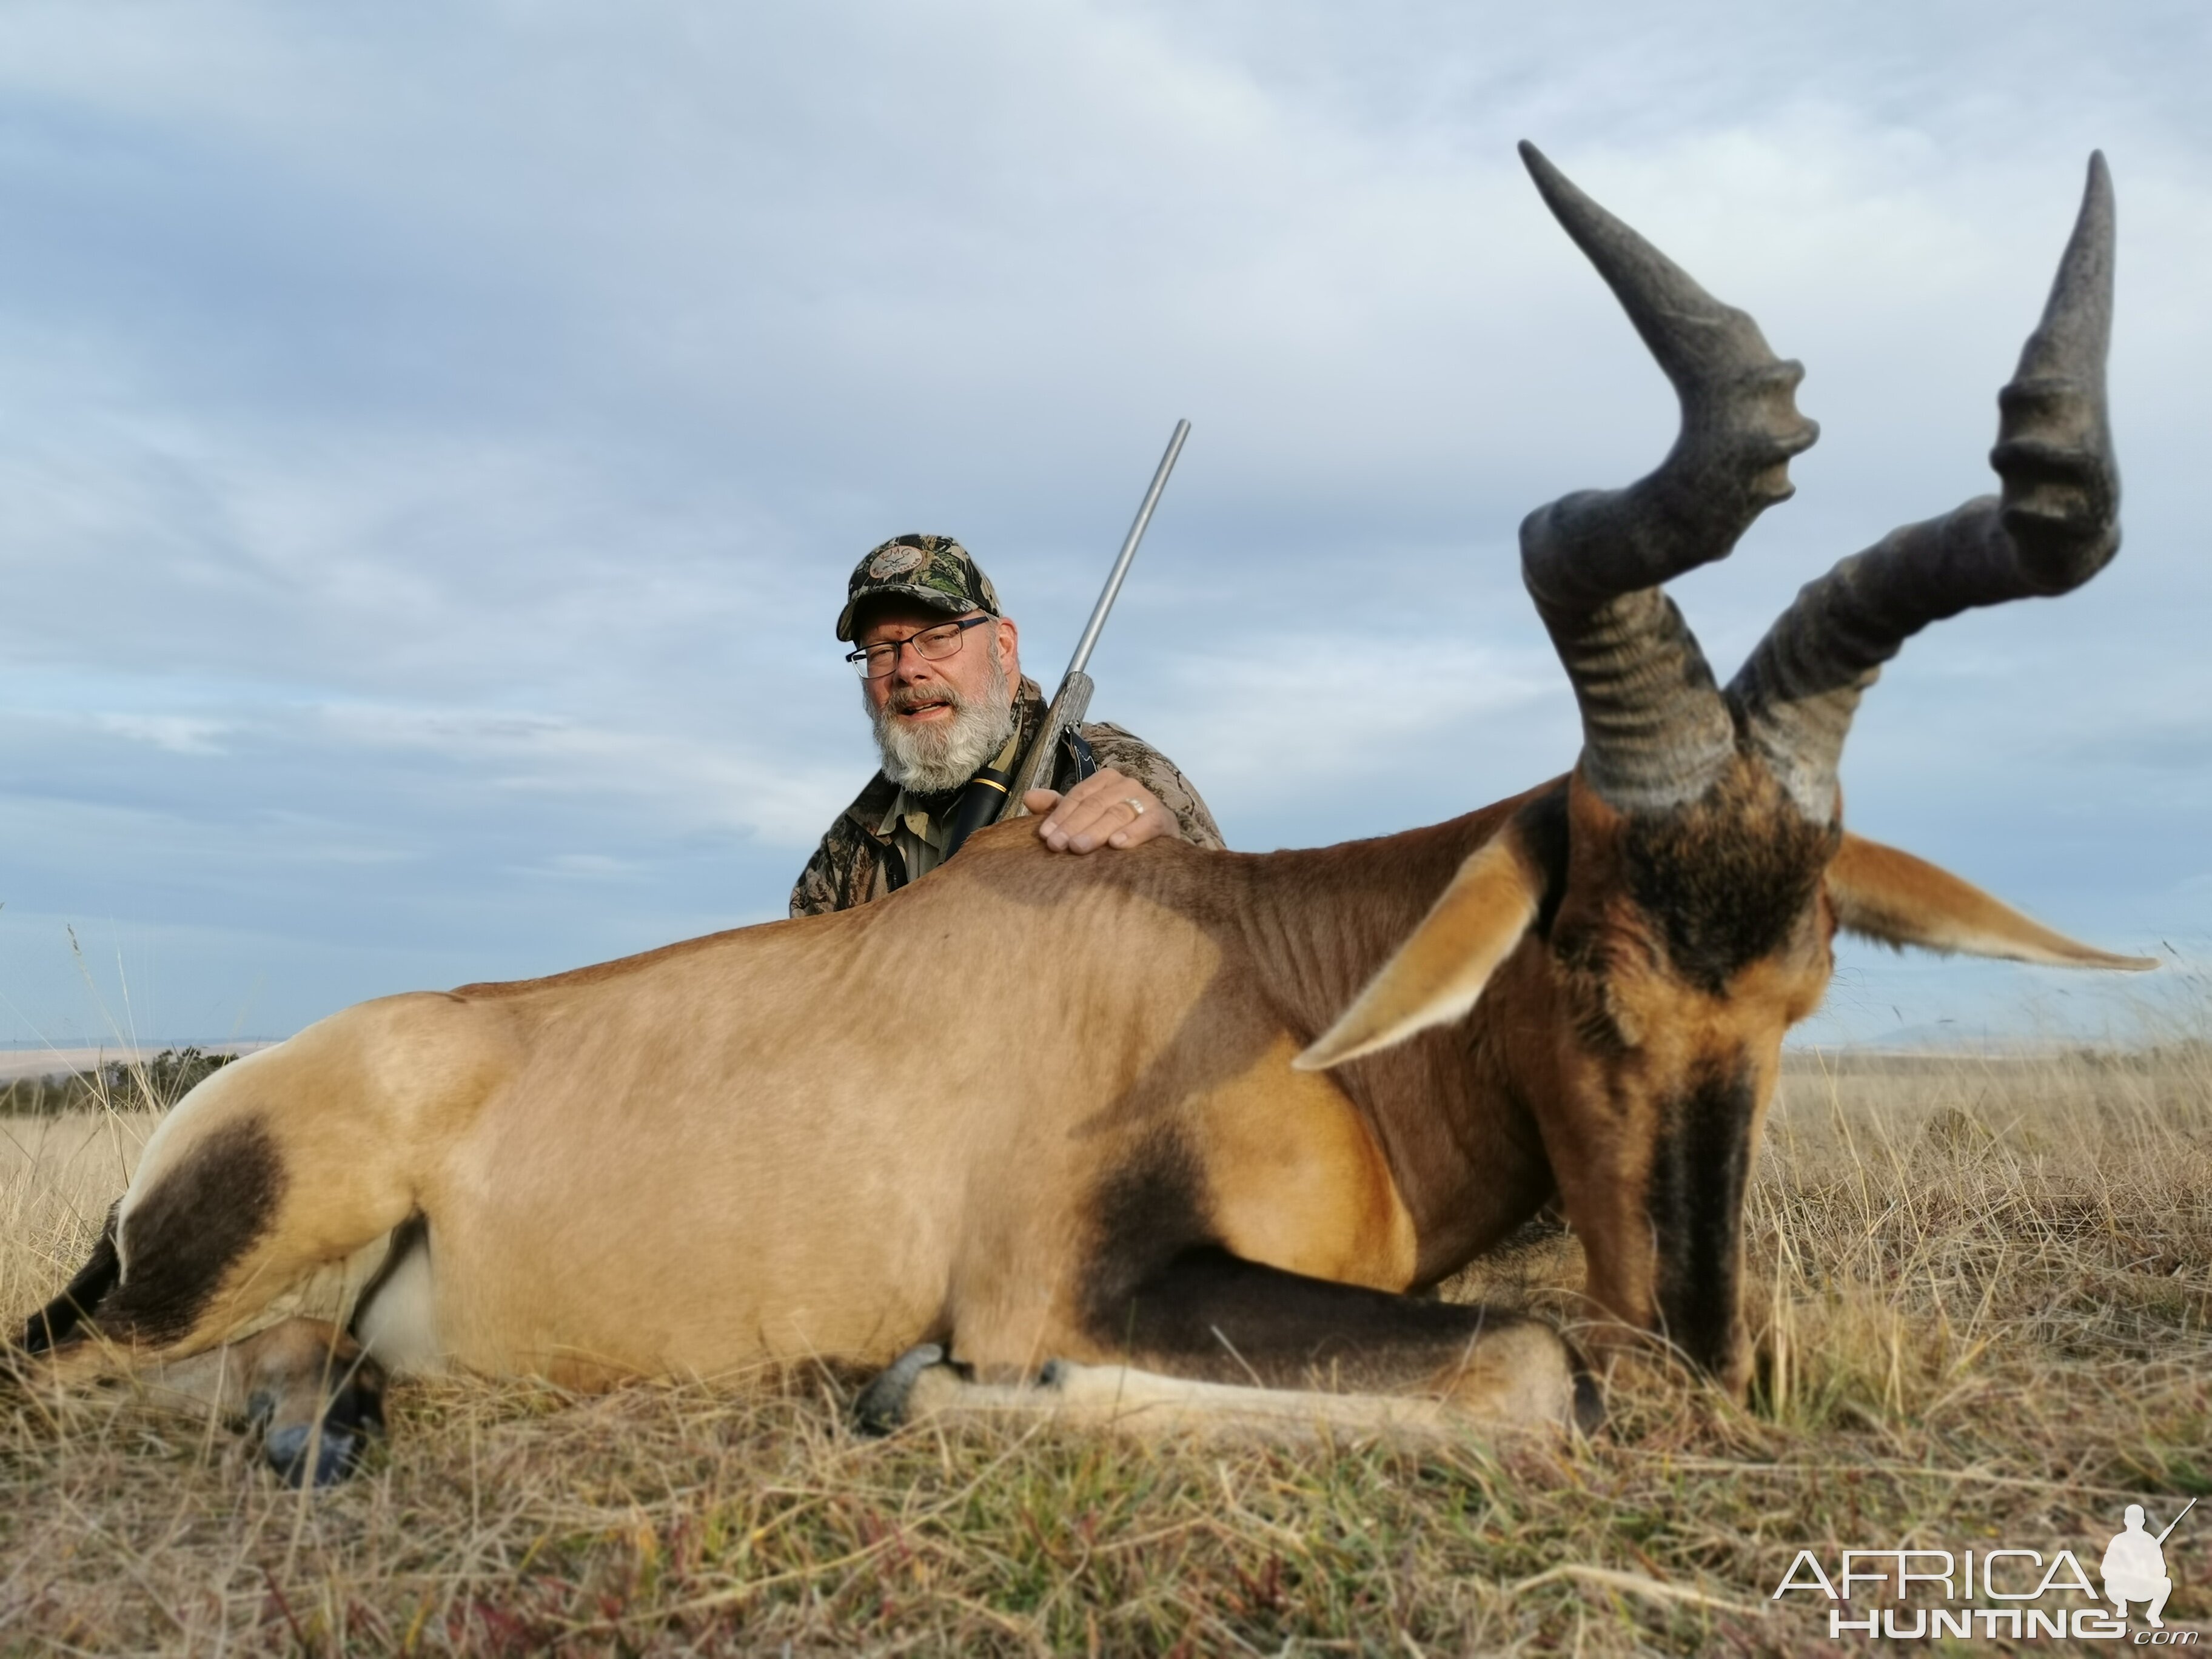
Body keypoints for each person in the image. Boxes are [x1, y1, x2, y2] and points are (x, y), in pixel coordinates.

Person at [791, 534, 1222, 916]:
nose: (908, 670)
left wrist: (1167, 841)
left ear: (1003, 646)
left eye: (938, 638)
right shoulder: (846, 849)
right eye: (882, 652)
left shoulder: (1109, 768)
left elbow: (1226, 909)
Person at [2101, 1504, 2173, 1628]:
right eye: (2131, 1520)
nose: (2134, 1523)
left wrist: (2148, 1570)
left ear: (2143, 1522)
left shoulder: (2150, 1541)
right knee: (2109, 1583)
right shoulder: (2118, 1540)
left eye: (2137, 1520)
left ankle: (2154, 1614)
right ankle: (2121, 1606)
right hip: (2123, 1588)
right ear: (2125, 1521)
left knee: (2166, 1583)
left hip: (2145, 1588)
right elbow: (2106, 1569)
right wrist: (2124, 1572)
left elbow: (2162, 1569)